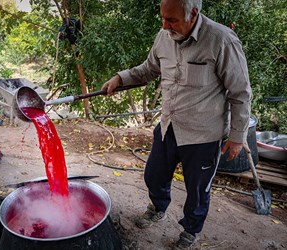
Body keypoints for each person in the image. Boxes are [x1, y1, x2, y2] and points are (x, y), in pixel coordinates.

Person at [101, 0, 252, 249]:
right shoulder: (164, 36)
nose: (164, 25)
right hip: (169, 126)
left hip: (203, 135)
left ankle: (191, 230)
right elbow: (148, 69)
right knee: (154, 175)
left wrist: (237, 136)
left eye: (171, 20)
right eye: (162, 18)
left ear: (193, 13)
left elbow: (240, 93)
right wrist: (120, 78)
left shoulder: (221, 40)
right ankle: (158, 207)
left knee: (197, 190)